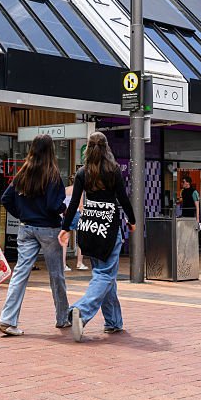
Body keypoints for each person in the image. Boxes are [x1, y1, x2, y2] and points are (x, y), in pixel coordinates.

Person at [59, 132, 136, 341]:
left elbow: (74, 203)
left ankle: (113, 322)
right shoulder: (113, 171)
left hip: (89, 227)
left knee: (105, 275)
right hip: (108, 228)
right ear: (106, 147)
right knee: (104, 275)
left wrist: (65, 228)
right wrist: (133, 220)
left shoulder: (84, 173)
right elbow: (123, 199)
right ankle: (80, 311)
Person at [0, 134, 70, 336]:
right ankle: (62, 318)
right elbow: (53, 205)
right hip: (48, 228)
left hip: (26, 227)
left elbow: (6, 198)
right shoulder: (53, 175)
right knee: (56, 275)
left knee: (20, 272)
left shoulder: (22, 173)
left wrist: (22, 214)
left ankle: (8, 319)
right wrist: (63, 208)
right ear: (51, 151)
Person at [61, 174, 86, 272]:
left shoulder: (65, 189)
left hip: (66, 214)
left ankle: (63, 264)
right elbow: (80, 206)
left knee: (64, 241)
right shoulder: (80, 191)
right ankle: (79, 263)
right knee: (80, 240)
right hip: (76, 214)